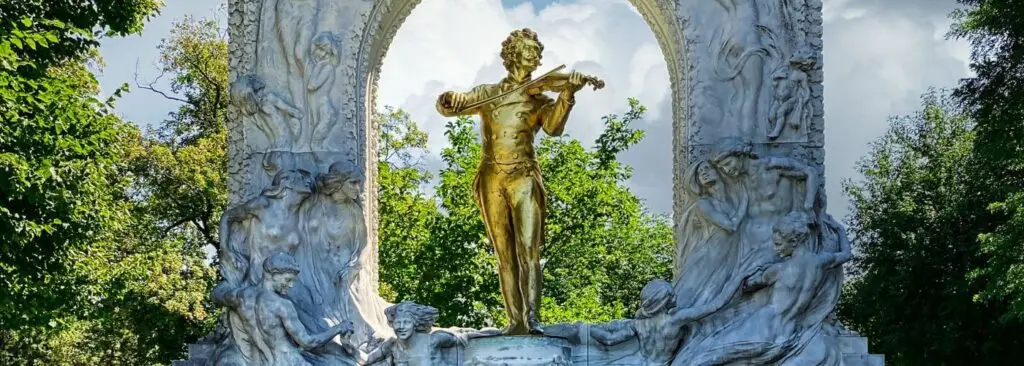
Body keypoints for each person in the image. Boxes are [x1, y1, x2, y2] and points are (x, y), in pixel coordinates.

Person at [434, 28, 601, 335]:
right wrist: (449, 98)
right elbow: (451, 107)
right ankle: (514, 322)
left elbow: (553, 129)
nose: (536, 56)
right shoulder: (488, 93)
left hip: (523, 174)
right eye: (529, 50)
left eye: (537, 52)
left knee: (529, 251)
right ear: (512, 55)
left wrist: (567, 93)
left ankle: (533, 318)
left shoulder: (538, 99)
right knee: (504, 255)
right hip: (491, 176)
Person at [213, 252, 355, 365]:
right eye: (287, 280)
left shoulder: (240, 297)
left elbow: (217, 294)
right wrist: (338, 328)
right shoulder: (282, 305)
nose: (291, 285)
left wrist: (236, 273)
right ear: (272, 275)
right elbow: (308, 342)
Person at [358, 301, 499, 366]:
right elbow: (365, 360)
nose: (401, 327)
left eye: (406, 322)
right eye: (397, 323)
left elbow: (467, 336)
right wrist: (347, 344)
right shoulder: (392, 345)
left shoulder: (434, 340)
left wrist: (498, 333)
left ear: (415, 324)